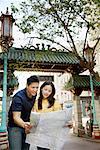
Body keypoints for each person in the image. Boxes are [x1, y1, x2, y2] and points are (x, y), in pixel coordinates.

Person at [27, 81, 62, 150]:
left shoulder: (55, 102)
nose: (47, 92)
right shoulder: (37, 102)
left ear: (52, 92)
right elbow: (33, 116)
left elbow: (59, 117)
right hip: (39, 133)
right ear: (41, 89)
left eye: (49, 91)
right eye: (45, 89)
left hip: (50, 133)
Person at [7, 75, 39, 150]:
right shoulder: (18, 97)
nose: (35, 90)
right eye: (33, 87)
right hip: (15, 127)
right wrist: (25, 125)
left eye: (37, 87)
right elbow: (16, 117)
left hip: (27, 127)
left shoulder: (34, 95)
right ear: (27, 86)